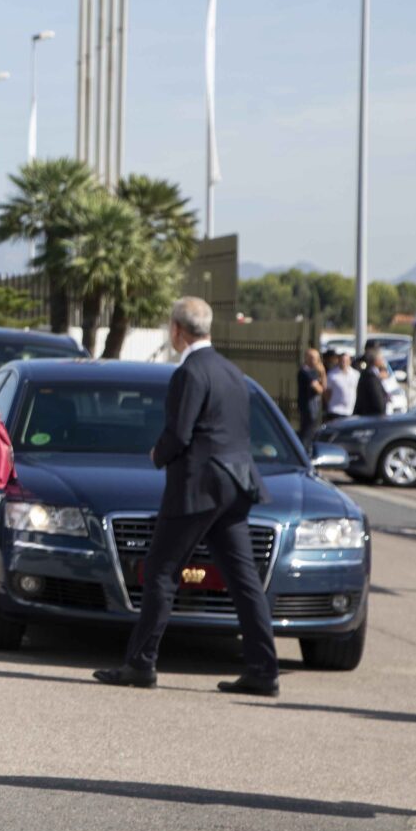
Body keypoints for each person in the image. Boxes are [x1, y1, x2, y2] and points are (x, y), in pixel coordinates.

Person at [95, 296, 278, 697]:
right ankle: (264, 670)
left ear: (176, 330)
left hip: (198, 488)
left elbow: (180, 433)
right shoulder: (233, 372)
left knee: (161, 571)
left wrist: (157, 455)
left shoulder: (189, 373)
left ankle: (141, 664)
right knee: (244, 579)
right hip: (236, 485)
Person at [296, 348, 326, 439]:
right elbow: (319, 389)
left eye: (317, 358)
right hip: (308, 409)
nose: (316, 361)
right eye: (313, 358)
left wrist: (323, 373)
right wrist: (321, 374)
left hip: (314, 408)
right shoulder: (304, 372)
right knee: (306, 434)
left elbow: (323, 387)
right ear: (307, 358)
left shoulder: (314, 372)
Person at [354, 346, 391, 418]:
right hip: (372, 417)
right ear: (376, 360)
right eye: (381, 358)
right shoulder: (371, 378)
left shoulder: (372, 374)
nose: (383, 360)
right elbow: (378, 402)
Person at [324, 350, 360, 423]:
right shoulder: (332, 374)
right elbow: (327, 392)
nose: (343, 362)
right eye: (342, 360)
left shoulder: (356, 374)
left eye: (346, 360)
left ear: (350, 361)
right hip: (335, 410)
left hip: (350, 410)